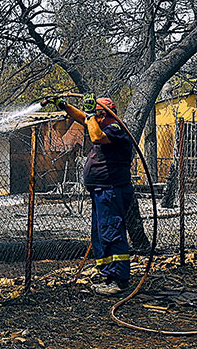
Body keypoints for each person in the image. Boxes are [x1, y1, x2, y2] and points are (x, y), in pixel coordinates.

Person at [45, 95, 136, 296]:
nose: (92, 118)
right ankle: (109, 276)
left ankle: (120, 281)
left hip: (111, 191)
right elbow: (83, 118)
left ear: (102, 114)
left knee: (112, 232)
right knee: (102, 234)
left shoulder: (114, 129)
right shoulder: (101, 124)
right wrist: (64, 105)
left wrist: (91, 115)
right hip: (102, 191)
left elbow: (96, 137)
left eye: (96, 114)